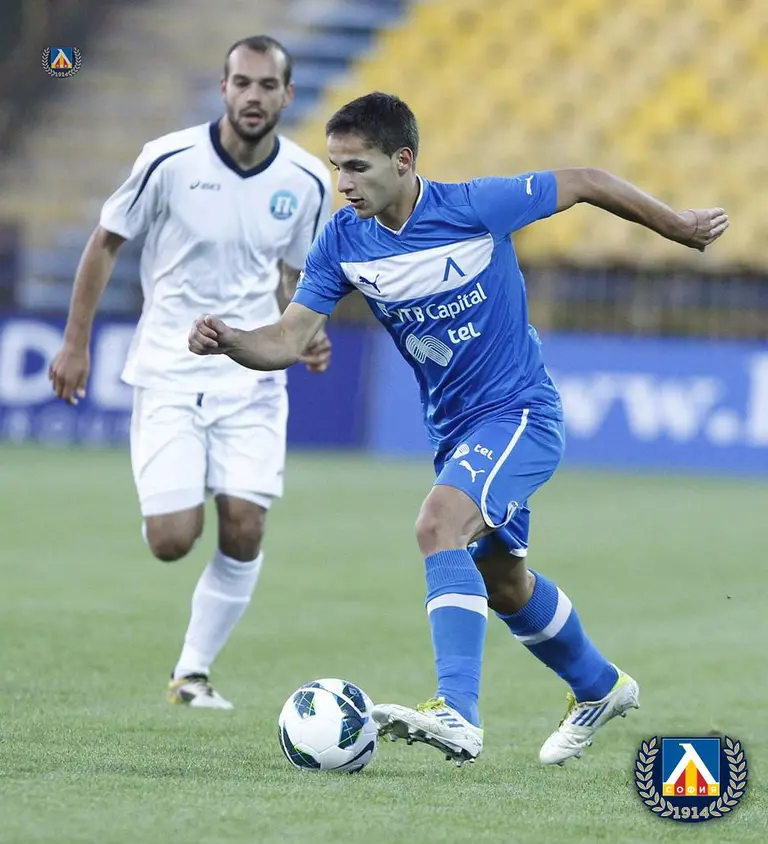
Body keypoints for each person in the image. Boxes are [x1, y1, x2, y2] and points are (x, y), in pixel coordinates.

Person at [187, 92, 729, 758]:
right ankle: (598, 686)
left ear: (403, 159)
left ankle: (457, 711)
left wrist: (679, 226)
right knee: (503, 583)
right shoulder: (342, 240)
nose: (343, 183)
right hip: (454, 434)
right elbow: (287, 339)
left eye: (357, 167)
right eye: (335, 167)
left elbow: (586, 180)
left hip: (520, 413)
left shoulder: (475, 207)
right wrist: (230, 340)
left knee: (437, 524)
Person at [49, 36, 332, 710]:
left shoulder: (307, 180)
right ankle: (171, 491)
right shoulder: (168, 160)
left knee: (245, 527)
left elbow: (297, 273)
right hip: (170, 373)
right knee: (172, 541)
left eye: (267, 85)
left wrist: (305, 331)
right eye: (243, 83)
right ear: (224, 87)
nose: (254, 96)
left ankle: (192, 674)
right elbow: (105, 242)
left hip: (252, 377)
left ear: (287, 95)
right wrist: (75, 344)